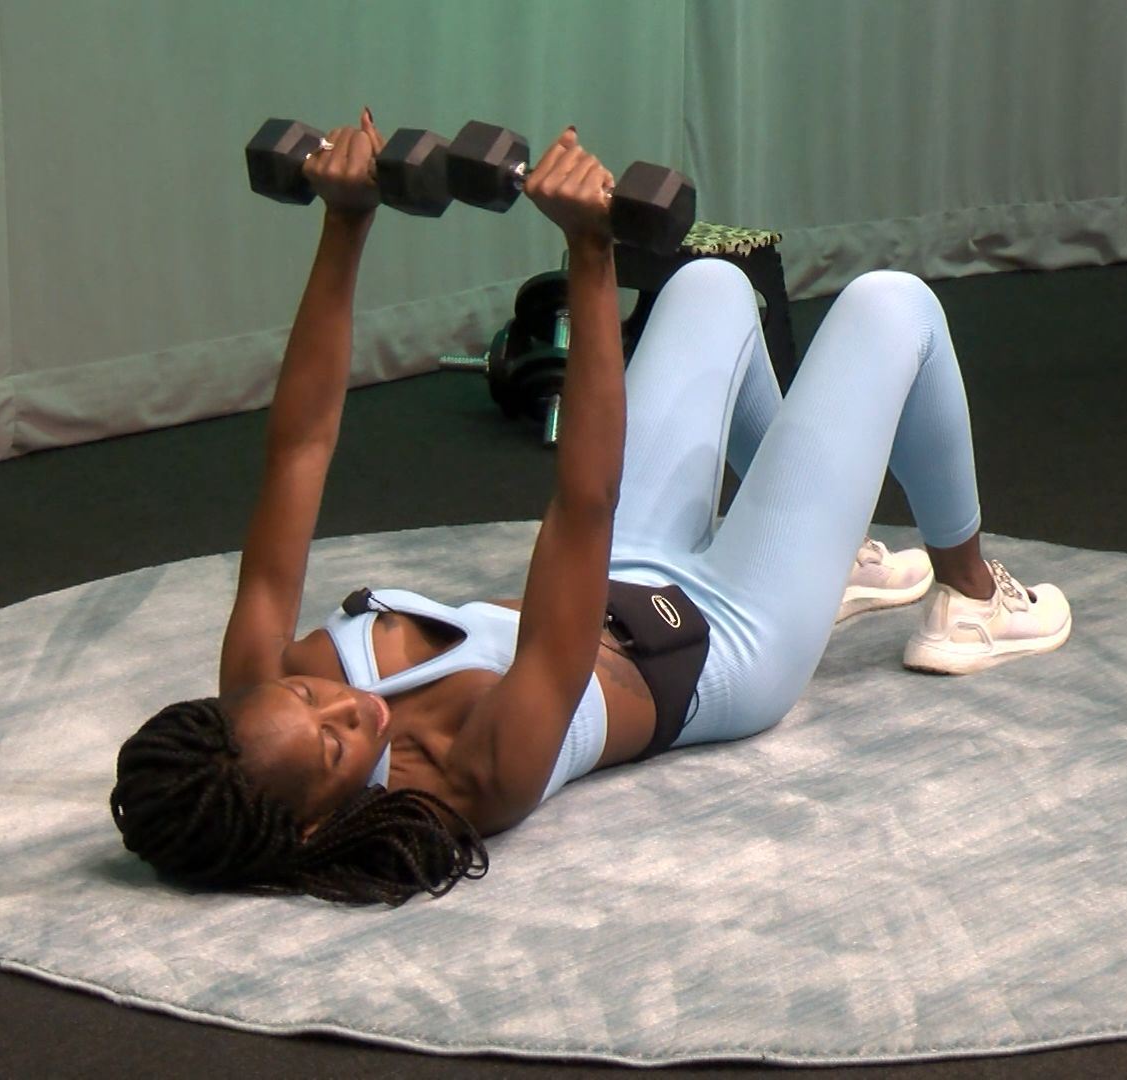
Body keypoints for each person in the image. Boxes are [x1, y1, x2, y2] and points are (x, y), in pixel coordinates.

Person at [110, 111, 1072, 905]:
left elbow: (300, 450)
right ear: (311, 824)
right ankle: (971, 596)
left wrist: (345, 224)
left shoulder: (258, 685)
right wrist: (590, 254)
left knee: (710, 284)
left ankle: (828, 550)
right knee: (893, 305)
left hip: (627, 565)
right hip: (726, 639)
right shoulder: (472, 777)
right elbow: (582, 503)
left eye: (305, 698)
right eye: (333, 744)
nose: (344, 704)